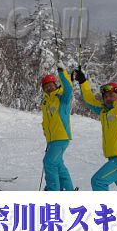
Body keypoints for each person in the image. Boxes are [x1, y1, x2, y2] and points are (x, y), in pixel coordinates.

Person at [73, 61, 117, 191]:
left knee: (98, 181)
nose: (108, 98)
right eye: (105, 96)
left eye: (112, 95)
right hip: (114, 157)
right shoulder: (104, 111)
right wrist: (82, 82)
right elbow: (89, 101)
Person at [40, 63, 75, 191]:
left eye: (51, 85)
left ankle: (53, 190)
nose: (48, 88)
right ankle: (68, 189)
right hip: (52, 140)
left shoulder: (62, 98)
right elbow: (46, 120)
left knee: (49, 162)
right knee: (58, 165)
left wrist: (62, 73)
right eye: (46, 87)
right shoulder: (45, 101)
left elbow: (69, 88)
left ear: (56, 85)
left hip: (61, 137)